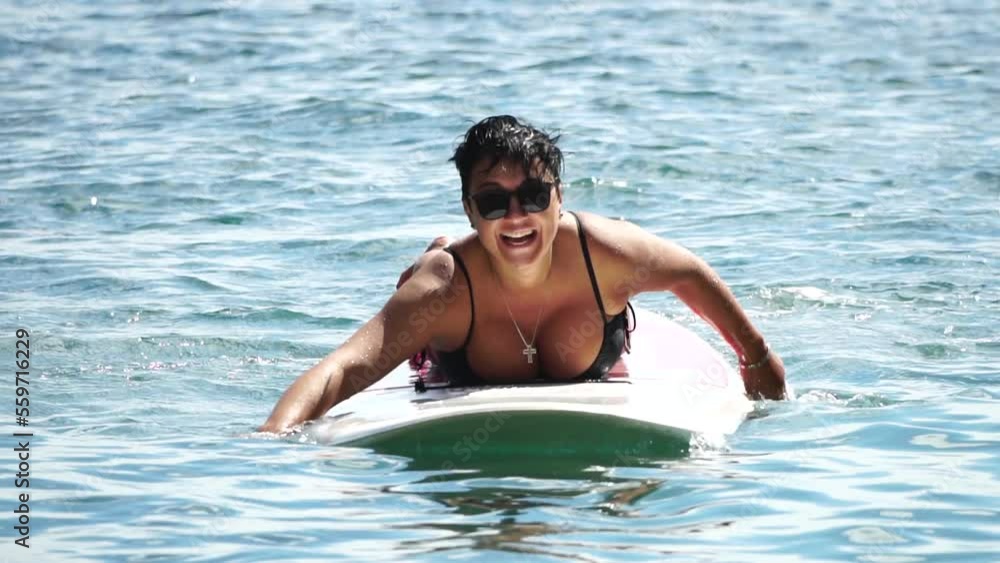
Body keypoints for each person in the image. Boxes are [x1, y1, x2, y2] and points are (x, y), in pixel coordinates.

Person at [259, 115, 785, 434]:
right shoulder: (445, 289)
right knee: (431, 274)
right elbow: (342, 369)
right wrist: (271, 441)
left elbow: (689, 274)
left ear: (559, 199)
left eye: (533, 196)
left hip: (583, 279)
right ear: (469, 210)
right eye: (493, 202)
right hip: (451, 299)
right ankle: (434, 251)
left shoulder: (605, 252)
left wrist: (757, 359)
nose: (516, 217)